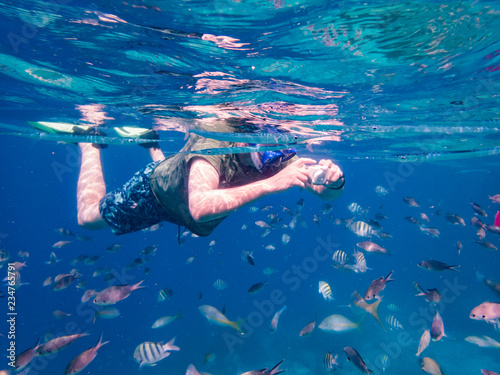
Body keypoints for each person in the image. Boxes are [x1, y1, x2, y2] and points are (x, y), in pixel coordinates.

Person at [40, 123, 345, 237]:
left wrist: (331, 182)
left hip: (182, 196)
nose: (277, 161)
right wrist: (272, 184)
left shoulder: (276, 152)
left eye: (283, 150)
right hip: (154, 195)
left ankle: (153, 146)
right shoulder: (216, 142)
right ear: (247, 138)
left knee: (184, 183)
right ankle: (88, 142)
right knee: (87, 218)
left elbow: (321, 190)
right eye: (269, 153)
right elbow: (198, 205)